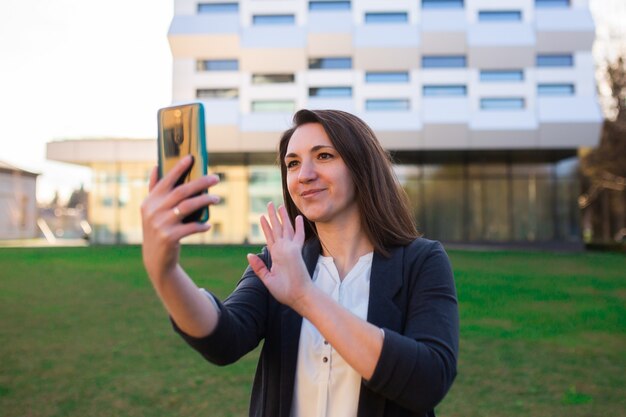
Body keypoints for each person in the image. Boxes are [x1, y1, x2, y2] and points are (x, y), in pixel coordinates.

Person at [141, 109, 459, 417]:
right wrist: (165, 273)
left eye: (323, 156)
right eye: (293, 164)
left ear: (362, 166)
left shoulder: (422, 261)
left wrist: (306, 297)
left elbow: (428, 381)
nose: (304, 175)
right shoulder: (280, 259)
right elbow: (224, 338)